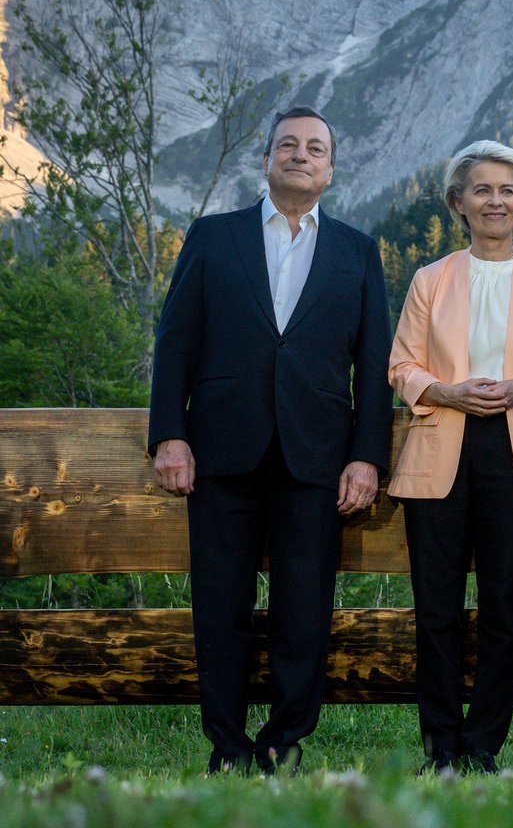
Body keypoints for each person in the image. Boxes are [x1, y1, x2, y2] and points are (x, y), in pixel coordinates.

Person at [148, 106, 392, 773]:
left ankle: (283, 747)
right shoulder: (212, 237)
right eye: (288, 144)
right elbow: (174, 343)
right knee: (219, 608)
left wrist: (367, 454)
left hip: (316, 458)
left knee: (303, 614)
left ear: (331, 168)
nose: (301, 154)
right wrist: (169, 435)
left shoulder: (357, 250)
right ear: (266, 160)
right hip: (221, 452)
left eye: (316, 147)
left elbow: (373, 365)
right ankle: (226, 747)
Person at [387, 141, 513, 773]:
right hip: (442, 446)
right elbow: (400, 364)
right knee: (436, 611)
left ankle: (482, 748)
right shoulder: (429, 280)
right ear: (457, 204)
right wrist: (444, 391)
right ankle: (440, 747)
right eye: (482, 190)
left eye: (507, 190)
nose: (496, 200)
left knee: (505, 612)